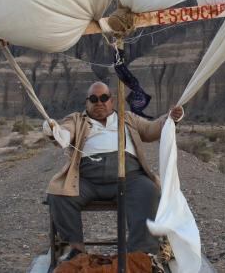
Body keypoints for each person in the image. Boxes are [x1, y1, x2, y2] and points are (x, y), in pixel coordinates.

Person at [44, 81, 184, 261]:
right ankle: (75, 251)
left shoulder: (127, 118)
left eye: (104, 98)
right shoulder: (77, 119)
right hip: (87, 180)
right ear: (87, 102)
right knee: (58, 194)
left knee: (150, 192)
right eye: (93, 99)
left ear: (112, 100)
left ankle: (140, 256)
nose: (99, 102)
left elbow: (152, 129)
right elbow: (63, 133)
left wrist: (171, 118)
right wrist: (53, 130)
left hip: (129, 178)